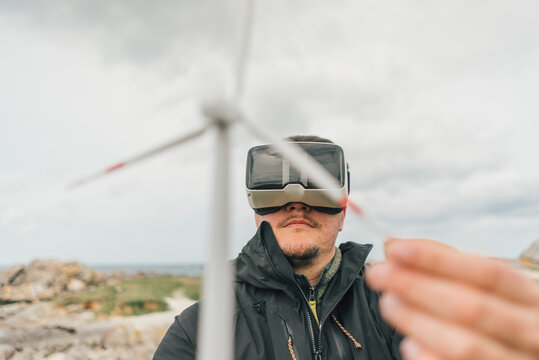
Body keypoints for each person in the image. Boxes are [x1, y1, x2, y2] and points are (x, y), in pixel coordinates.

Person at [153, 135, 403, 359]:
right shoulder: (199, 331)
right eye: (274, 186)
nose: (297, 202)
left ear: (342, 215)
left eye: (317, 187)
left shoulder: (398, 309)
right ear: (256, 215)